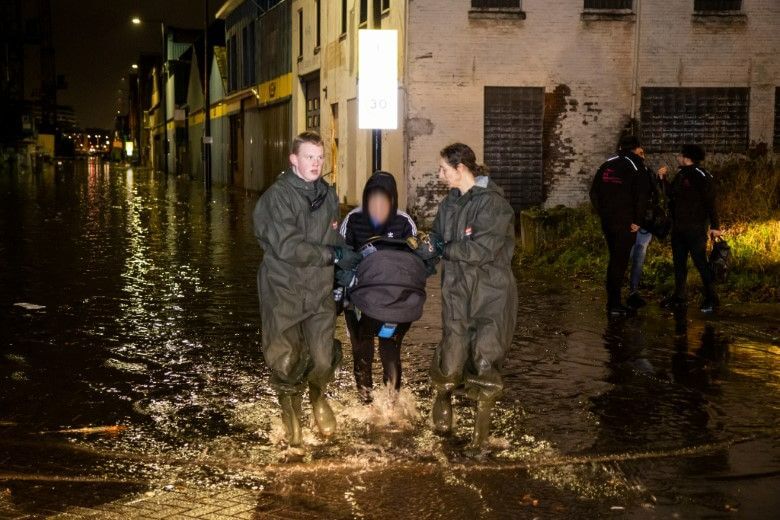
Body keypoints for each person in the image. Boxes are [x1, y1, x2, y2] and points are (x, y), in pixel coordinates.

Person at [253, 131, 361, 447]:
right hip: (283, 289)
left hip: (318, 289)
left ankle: (317, 396)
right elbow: (288, 247)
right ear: (294, 160)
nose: (315, 164)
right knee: (286, 359)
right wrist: (332, 255)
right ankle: (291, 414)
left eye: (319, 157)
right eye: (308, 157)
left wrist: (348, 256)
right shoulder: (277, 198)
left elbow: (330, 238)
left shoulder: (327, 195)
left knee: (323, 356)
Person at [417, 143, 517, 453]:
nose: (440, 175)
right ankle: (443, 400)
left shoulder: (494, 205)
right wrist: (420, 255)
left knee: (485, 361)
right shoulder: (450, 202)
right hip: (457, 292)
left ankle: (480, 439)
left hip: (491, 295)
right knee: (452, 351)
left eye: (444, 169)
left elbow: (482, 249)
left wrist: (444, 250)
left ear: (461, 170)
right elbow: (437, 236)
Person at [339, 171, 418, 403]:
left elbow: (416, 262)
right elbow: (341, 255)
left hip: (394, 301)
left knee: (390, 348)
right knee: (362, 349)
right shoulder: (352, 220)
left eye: (384, 199)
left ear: (393, 199)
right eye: (372, 198)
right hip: (359, 300)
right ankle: (366, 403)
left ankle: (391, 405)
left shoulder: (404, 222)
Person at [589, 135, 650, 317]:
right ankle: (614, 304)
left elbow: (594, 192)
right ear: (636, 148)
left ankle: (613, 301)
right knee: (619, 261)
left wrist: (603, 213)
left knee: (614, 259)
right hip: (626, 223)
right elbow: (642, 196)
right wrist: (637, 221)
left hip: (608, 221)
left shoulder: (607, 164)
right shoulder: (637, 166)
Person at [661, 144, 721, 313]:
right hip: (679, 228)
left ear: (687, 157)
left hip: (695, 229)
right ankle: (679, 296)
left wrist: (715, 226)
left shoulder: (702, 175)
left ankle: (712, 298)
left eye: (680, 155)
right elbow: (671, 193)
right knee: (679, 263)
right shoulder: (681, 174)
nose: (678, 157)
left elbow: (711, 202)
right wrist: (663, 179)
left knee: (701, 263)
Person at [626, 148, 669, 309]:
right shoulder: (627, 172)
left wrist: (660, 179)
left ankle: (633, 291)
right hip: (630, 223)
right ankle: (620, 291)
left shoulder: (646, 171)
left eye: (642, 153)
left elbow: (657, 194)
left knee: (638, 257)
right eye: (638, 154)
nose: (641, 156)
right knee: (628, 256)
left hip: (645, 223)